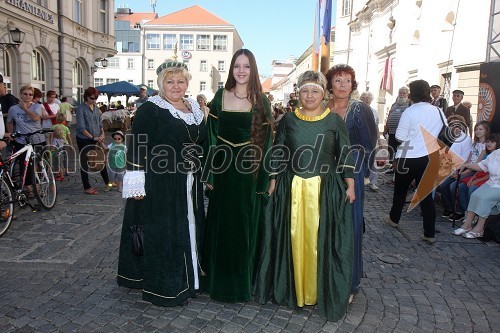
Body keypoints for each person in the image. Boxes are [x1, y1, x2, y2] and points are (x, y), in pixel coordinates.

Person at [254, 70, 355, 321]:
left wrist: (350, 185)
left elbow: (344, 154)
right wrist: (274, 179)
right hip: (293, 187)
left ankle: (319, 290)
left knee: (321, 239)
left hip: (325, 188)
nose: (309, 95)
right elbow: (279, 151)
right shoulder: (288, 120)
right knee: (294, 236)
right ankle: (294, 287)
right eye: (305, 91)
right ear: (298, 93)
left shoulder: (334, 121)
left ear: (323, 94)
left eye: (315, 91)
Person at [117, 60, 207, 307]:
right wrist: (136, 181)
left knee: (189, 224)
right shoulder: (151, 109)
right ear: (161, 84)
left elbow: (203, 143)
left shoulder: (194, 109)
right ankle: (167, 285)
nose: (176, 86)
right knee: (166, 231)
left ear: (187, 83)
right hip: (162, 181)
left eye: (180, 81)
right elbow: (137, 144)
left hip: (189, 180)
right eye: (170, 81)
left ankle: (191, 279)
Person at [202, 49, 274, 302]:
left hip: (250, 174)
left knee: (245, 228)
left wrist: (268, 179)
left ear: (253, 70)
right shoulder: (220, 96)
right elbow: (210, 137)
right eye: (236, 66)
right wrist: (210, 174)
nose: (241, 71)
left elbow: (268, 144)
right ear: (231, 69)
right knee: (221, 225)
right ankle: (217, 282)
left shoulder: (261, 101)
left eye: (246, 66)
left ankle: (241, 284)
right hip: (223, 173)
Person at [325, 64, 378, 299]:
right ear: (330, 85)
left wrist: (364, 175)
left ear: (353, 84)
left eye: (347, 80)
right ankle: (327, 275)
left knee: (351, 224)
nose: (343, 85)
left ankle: (350, 281)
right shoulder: (324, 107)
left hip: (352, 170)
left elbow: (369, 143)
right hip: (325, 172)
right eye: (338, 80)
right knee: (327, 223)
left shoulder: (360, 109)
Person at [384, 80, 444, 244]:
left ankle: (394, 219)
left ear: (412, 93)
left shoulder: (410, 111)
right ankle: (429, 233)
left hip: (408, 157)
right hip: (430, 157)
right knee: (425, 197)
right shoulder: (438, 111)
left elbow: (400, 137)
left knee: (400, 191)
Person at [452, 138, 500, 239]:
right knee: (475, 195)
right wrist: (465, 165)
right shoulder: (495, 154)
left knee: (484, 198)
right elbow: (481, 166)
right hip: (491, 183)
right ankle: (467, 225)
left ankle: (479, 228)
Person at [6, 85, 45, 196]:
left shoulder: (37, 106)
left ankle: (37, 186)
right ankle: (29, 188)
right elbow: (9, 121)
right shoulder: (13, 109)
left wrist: (25, 108)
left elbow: (36, 118)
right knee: (25, 165)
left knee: (37, 165)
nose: (28, 96)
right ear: (20, 94)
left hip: (37, 139)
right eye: (25, 94)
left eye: (30, 94)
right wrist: (11, 134)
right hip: (21, 140)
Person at [75, 87, 110, 195]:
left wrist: (102, 133)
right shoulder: (81, 108)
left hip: (96, 137)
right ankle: (87, 187)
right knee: (85, 162)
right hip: (84, 139)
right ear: (86, 97)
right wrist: (92, 137)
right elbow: (81, 127)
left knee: (100, 159)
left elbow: (100, 123)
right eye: (92, 98)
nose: (94, 101)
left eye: (96, 98)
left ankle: (107, 182)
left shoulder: (95, 108)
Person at [383, 86, 410, 169]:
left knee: (401, 152)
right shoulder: (394, 104)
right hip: (391, 132)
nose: (401, 95)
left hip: (402, 133)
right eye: (400, 93)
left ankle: (400, 168)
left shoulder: (409, 104)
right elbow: (389, 116)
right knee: (391, 150)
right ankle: (393, 168)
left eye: (404, 93)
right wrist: (385, 128)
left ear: (407, 94)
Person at [360, 91, 380, 191]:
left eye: (369, 98)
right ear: (361, 99)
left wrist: (379, 138)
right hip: (360, 139)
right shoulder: (357, 111)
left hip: (372, 139)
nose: (367, 99)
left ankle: (373, 182)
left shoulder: (374, 111)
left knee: (372, 161)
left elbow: (376, 126)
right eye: (365, 97)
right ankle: (360, 181)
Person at [50, 112, 72, 181]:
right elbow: (69, 137)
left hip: (57, 145)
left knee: (57, 159)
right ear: (64, 120)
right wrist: (71, 145)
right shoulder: (66, 128)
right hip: (65, 144)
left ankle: (59, 173)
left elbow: (51, 137)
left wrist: (51, 145)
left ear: (56, 119)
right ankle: (66, 171)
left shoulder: (53, 127)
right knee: (65, 158)